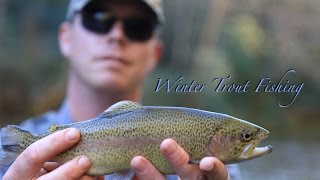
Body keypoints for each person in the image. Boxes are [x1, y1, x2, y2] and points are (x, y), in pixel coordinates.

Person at [1, 0, 241, 179]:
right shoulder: (7, 154)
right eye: (98, 18)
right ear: (65, 38)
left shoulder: (215, 170)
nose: (117, 35)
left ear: (155, 54)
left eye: (137, 27)